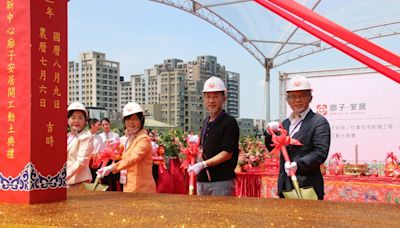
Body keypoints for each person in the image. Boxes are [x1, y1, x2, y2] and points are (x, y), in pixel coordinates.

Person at [264, 75, 331, 200]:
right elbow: (271, 148)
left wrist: (298, 165)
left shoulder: (319, 122)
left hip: (308, 187)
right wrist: (269, 133)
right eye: (293, 96)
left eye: (303, 95)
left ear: (310, 97)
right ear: (287, 99)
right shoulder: (284, 124)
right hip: (286, 186)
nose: (298, 100)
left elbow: (320, 153)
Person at [187, 76, 239, 196]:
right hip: (202, 180)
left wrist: (203, 164)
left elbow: (227, 153)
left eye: (215, 96)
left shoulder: (229, 122)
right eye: (208, 97)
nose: (211, 101)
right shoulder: (206, 122)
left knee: (221, 214)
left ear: (224, 98)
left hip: (221, 182)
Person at [97, 102, 156, 193]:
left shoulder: (143, 139)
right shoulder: (130, 138)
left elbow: (133, 159)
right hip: (129, 186)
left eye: (135, 119)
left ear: (141, 120)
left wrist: (112, 168)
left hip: (142, 189)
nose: (131, 123)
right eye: (127, 119)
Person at [66, 101, 94, 187]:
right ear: (67, 120)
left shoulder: (86, 137)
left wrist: (63, 176)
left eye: (80, 118)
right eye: (73, 117)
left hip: (79, 181)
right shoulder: (67, 136)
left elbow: (81, 162)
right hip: (67, 181)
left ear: (86, 121)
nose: (76, 121)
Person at [99, 117, 121, 191]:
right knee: (104, 179)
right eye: (103, 125)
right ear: (101, 126)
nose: (105, 126)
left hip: (113, 160)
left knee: (114, 179)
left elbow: (119, 148)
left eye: (106, 124)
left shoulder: (116, 135)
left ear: (109, 125)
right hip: (104, 161)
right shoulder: (99, 136)